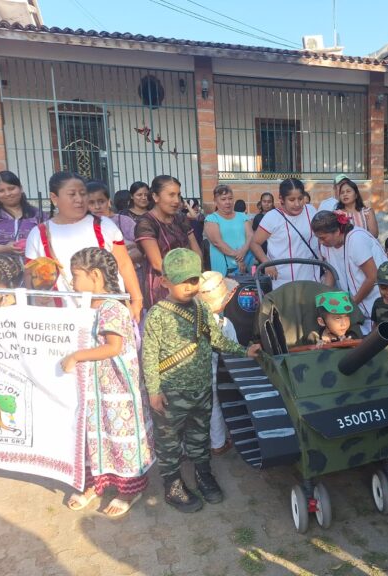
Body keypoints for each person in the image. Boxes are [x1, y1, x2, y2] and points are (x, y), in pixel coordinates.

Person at [142, 249, 260, 512]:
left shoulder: (201, 308)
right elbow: (149, 356)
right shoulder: (158, 315)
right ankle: (172, 484)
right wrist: (154, 391)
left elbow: (216, 339)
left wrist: (244, 351)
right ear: (165, 282)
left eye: (193, 280)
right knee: (169, 441)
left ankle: (203, 474)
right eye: (182, 281)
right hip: (172, 392)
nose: (188, 286)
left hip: (201, 389)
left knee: (199, 436)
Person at [60, 248, 155, 517]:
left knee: (119, 435)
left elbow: (113, 347)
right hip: (95, 388)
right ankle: (96, 484)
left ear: (95, 275)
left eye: (76, 275)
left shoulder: (112, 307)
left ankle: (129, 488)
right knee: (95, 434)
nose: (72, 282)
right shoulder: (89, 305)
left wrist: (77, 356)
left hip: (117, 388)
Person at [24, 172, 143, 321]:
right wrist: (36, 298)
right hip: (60, 319)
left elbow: (124, 264)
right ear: (54, 198)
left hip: (107, 317)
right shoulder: (38, 234)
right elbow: (30, 274)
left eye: (82, 193)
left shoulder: (104, 225)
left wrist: (137, 300)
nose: (79, 200)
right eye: (72, 194)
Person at [312, 210, 388, 334]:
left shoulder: (356, 239)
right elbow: (330, 272)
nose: (320, 242)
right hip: (355, 309)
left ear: (337, 231)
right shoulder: (327, 245)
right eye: (318, 238)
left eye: (323, 238)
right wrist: (325, 302)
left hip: (376, 307)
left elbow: (372, 276)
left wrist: (350, 306)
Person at [135, 175, 202, 310]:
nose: (176, 200)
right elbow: (157, 263)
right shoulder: (146, 223)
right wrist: (182, 281)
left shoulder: (180, 219)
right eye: (171, 195)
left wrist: (196, 278)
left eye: (178, 195)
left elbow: (197, 253)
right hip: (163, 286)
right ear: (155, 197)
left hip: (189, 283)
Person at [197, 271, 239, 457]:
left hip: (190, 377)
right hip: (213, 376)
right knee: (215, 408)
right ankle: (218, 443)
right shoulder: (224, 323)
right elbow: (235, 350)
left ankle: (187, 447)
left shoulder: (189, 320)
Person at [250, 178, 320, 289]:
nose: (297, 204)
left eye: (300, 199)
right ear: (281, 199)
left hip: (311, 278)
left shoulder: (311, 211)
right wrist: (266, 263)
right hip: (282, 282)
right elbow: (254, 243)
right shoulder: (272, 217)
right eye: (292, 200)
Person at [204, 185, 253, 276]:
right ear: (215, 201)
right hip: (224, 268)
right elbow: (217, 242)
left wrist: (243, 251)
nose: (228, 202)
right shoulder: (212, 219)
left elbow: (250, 236)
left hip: (246, 264)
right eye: (223, 199)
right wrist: (239, 257)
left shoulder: (243, 217)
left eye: (230, 198)